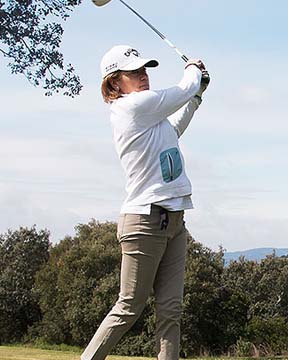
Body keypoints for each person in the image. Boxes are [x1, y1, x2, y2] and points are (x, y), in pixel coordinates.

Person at [80, 45, 209, 360]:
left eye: (144, 70)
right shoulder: (131, 108)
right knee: (129, 306)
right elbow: (182, 88)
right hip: (144, 222)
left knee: (171, 309)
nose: (143, 76)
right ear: (114, 83)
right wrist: (194, 69)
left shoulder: (151, 119)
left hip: (174, 220)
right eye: (134, 72)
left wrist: (197, 97)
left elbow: (174, 127)